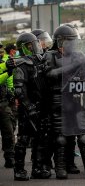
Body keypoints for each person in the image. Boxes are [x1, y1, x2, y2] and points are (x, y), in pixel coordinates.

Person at [44, 25, 85, 179]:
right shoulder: (51, 56)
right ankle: (61, 168)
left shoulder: (78, 55)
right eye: (70, 41)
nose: (73, 44)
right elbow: (50, 75)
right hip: (58, 101)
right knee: (61, 138)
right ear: (61, 41)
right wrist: (73, 66)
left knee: (83, 135)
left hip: (76, 98)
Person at [12, 33, 51, 180]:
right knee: (23, 139)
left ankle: (38, 168)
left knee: (40, 138)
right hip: (27, 110)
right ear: (24, 47)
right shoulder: (21, 64)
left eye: (34, 44)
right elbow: (19, 90)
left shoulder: (40, 61)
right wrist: (29, 108)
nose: (34, 46)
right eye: (30, 45)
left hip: (41, 106)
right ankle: (19, 170)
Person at [0, 44, 15, 169]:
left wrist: (11, 91)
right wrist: (7, 71)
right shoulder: (3, 64)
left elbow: (9, 79)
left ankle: (10, 158)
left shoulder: (3, 62)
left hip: (3, 102)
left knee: (9, 131)